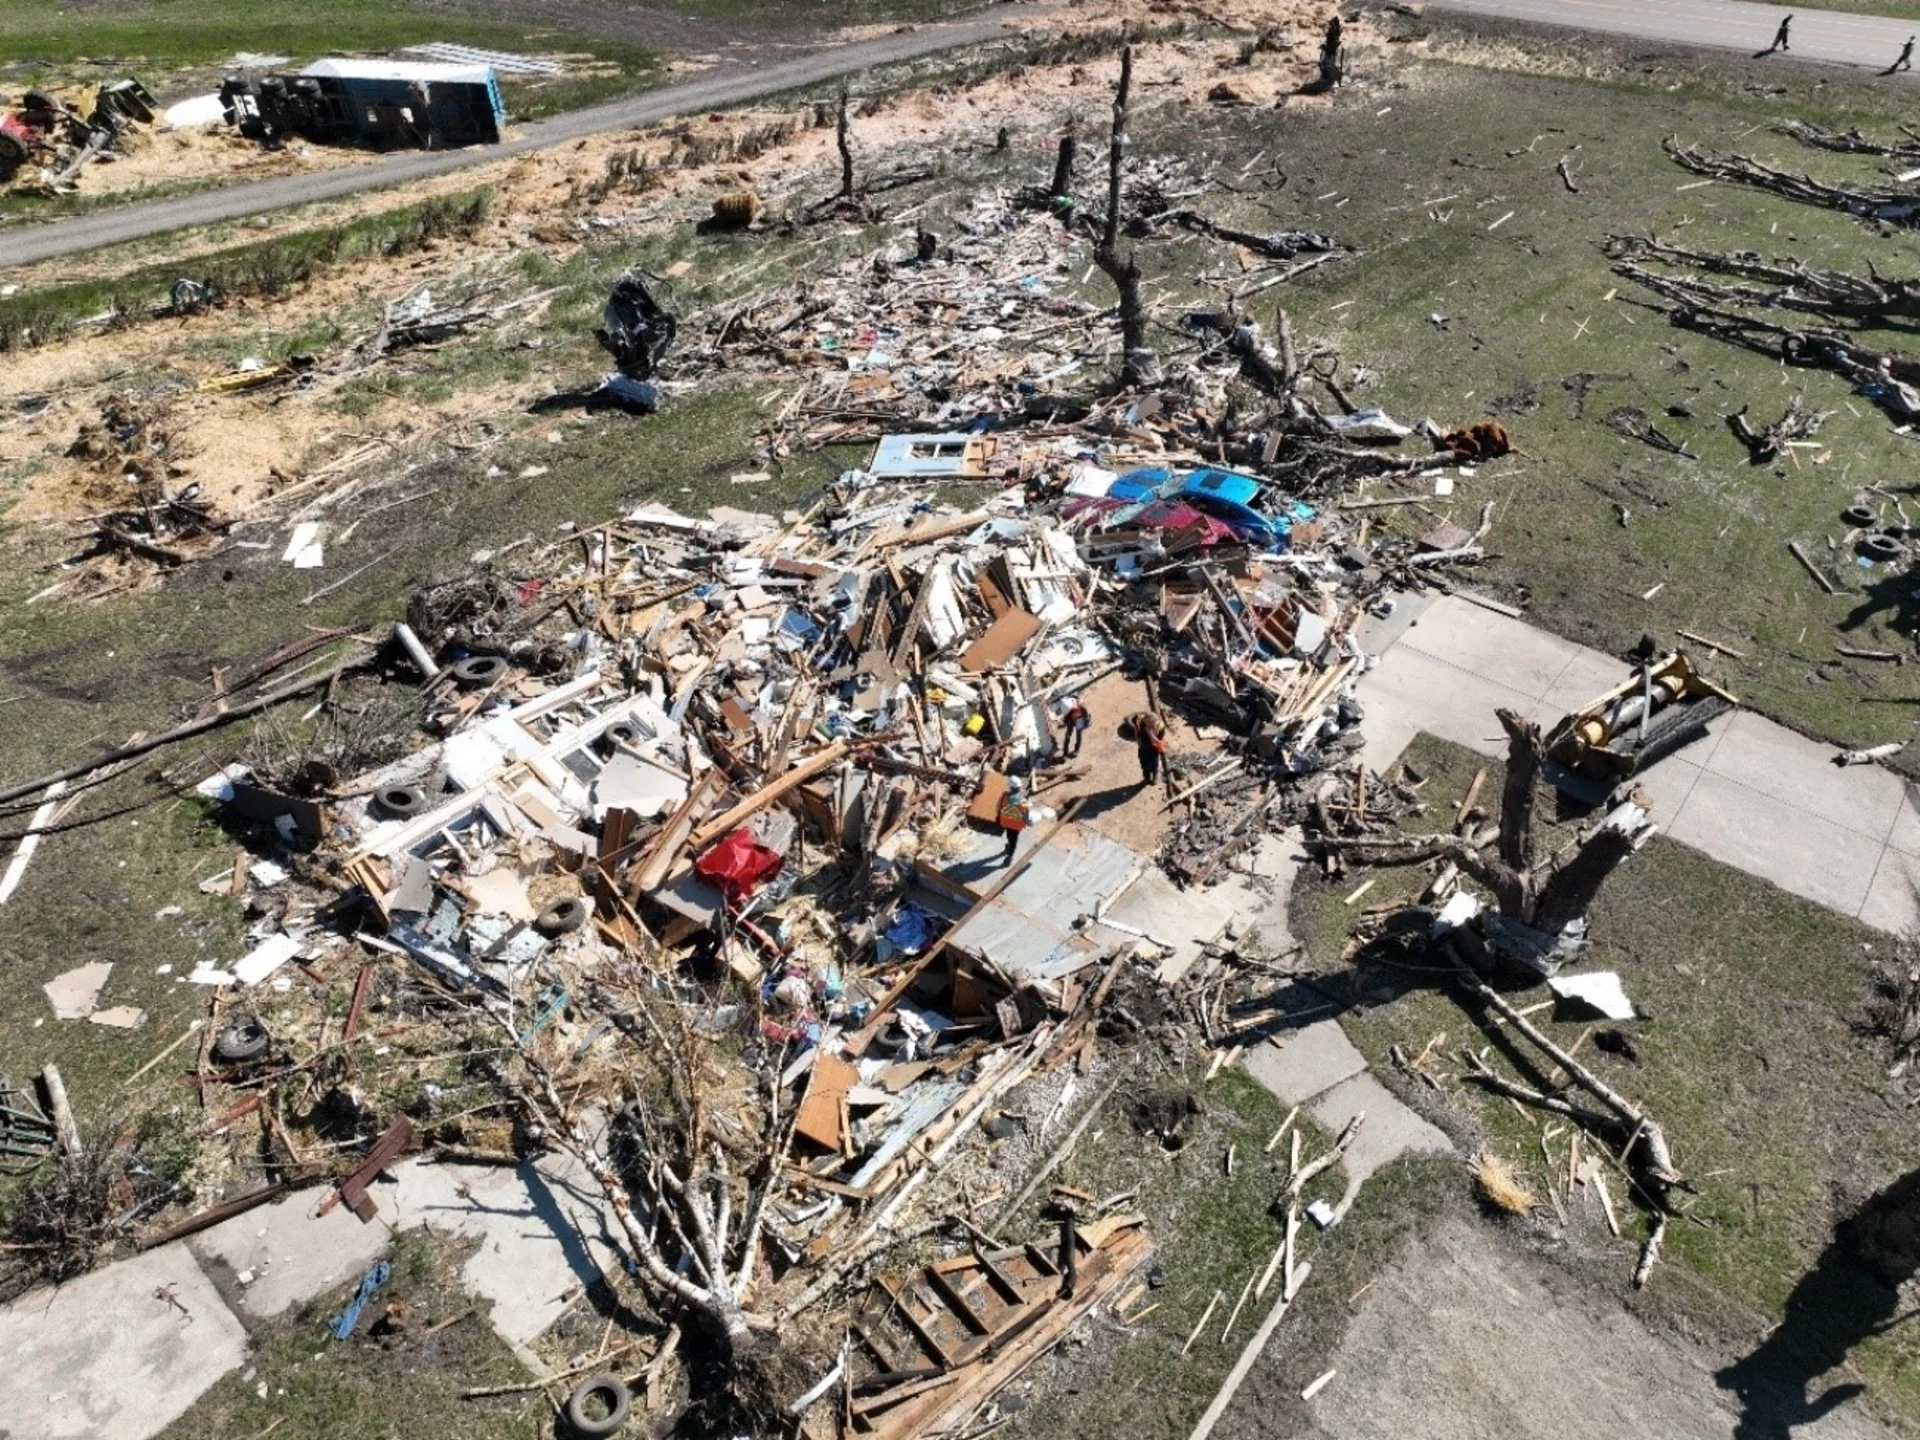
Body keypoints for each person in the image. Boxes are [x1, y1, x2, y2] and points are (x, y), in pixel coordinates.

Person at [996, 778, 1030, 865]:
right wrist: (1026, 822)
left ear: (1011, 787)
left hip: (1006, 822)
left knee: (1009, 835)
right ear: (1019, 787)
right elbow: (1026, 813)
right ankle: (1010, 855)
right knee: (1014, 839)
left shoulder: (1005, 796)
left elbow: (999, 807)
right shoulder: (1022, 800)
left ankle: (1009, 846)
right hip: (1016, 825)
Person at [1129, 711, 1167, 786]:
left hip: (1153, 749)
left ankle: (1155, 777)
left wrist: (1150, 734)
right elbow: (1136, 728)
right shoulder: (1141, 721)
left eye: (1152, 725)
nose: (1151, 726)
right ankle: (1146, 778)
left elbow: (1158, 742)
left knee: (1154, 764)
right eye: (1149, 724)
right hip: (1142, 747)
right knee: (1143, 763)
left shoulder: (1160, 728)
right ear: (1146, 721)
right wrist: (1137, 732)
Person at [1058, 696, 1091, 760]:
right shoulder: (1072, 710)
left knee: (1077, 736)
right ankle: (1067, 752)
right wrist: (1064, 723)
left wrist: (1086, 721)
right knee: (1069, 736)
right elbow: (1066, 718)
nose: (1074, 703)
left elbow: (1086, 715)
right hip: (1072, 721)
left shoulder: (1080, 708)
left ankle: (1074, 751)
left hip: (1078, 720)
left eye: (1074, 702)